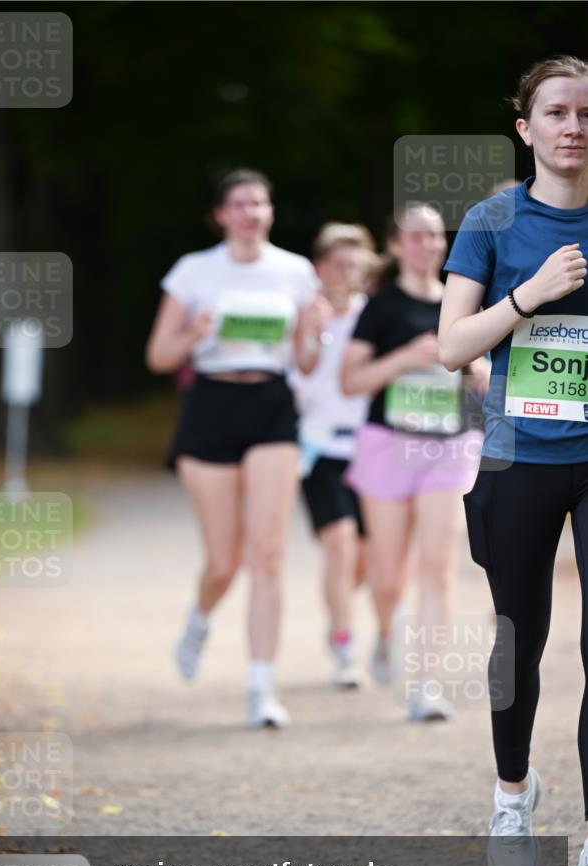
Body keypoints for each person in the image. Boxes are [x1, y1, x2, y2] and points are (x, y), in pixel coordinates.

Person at [438, 55, 588, 866]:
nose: (574, 126)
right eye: (557, 112)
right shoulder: (492, 221)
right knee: (517, 641)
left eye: (586, 114)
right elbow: (450, 345)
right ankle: (510, 794)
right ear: (527, 129)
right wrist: (527, 295)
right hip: (519, 456)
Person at [146, 169, 329, 728]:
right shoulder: (194, 272)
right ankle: (201, 617)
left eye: (260, 203)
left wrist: (314, 332)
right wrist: (193, 335)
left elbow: (306, 363)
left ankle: (261, 687)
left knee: (268, 553)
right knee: (224, 561)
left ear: (270, 213)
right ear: (221, 214)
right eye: (240, 204)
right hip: (211, 408)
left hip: (272, 405)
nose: (251, 212)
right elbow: (159, 356)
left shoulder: (295, 272)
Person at [341, 203, 487, 721]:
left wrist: (470, 362)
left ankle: (425, 685)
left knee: (438, 566)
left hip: (449, 446)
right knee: (387, 575)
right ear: (397, 245)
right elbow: (350, 381)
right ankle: (384, 633)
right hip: (389, 444)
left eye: (433, 236)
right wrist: (405, 358)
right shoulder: (380, 306)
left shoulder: (462, 301)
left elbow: (487, 385)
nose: (426, 245)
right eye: (415, 237)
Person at [289, 223, 381, 687]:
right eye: (340, 265)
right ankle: (345, 646)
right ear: (321, 268)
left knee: (364, 560)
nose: (349, 274)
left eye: (357, 266)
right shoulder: (306, 313)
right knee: (340, 544)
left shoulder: (376, 315)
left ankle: (337, 614)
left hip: (371, 446)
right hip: (321, 445)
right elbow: (296, 373)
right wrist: (314, 332)